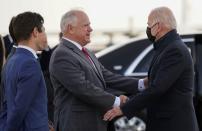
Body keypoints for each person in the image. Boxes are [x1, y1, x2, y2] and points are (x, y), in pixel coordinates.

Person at [103, 6, 199, 131]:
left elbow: (157, 88)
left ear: (158, 26)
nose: (148, 29)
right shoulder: (167, 48)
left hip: (173, 124)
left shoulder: (174, 50)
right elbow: (157, 82)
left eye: (149, 25)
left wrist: (124, 108)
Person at [49, 9, 147, 131]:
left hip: (93, 123)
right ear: (70, 28)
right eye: (86, 25)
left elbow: (106, 76)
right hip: (76, 124)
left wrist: (141, 83)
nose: (90, 29)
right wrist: (116, 101)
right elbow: (83, 88)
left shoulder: (86, 52)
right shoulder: (62, 54)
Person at [2, 11, 49, 131]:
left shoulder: (11, 60)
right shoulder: (30, 63)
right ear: (35, 32)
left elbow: (7, 104)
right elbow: (19, 108)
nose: (45, 35)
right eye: (43, 30)